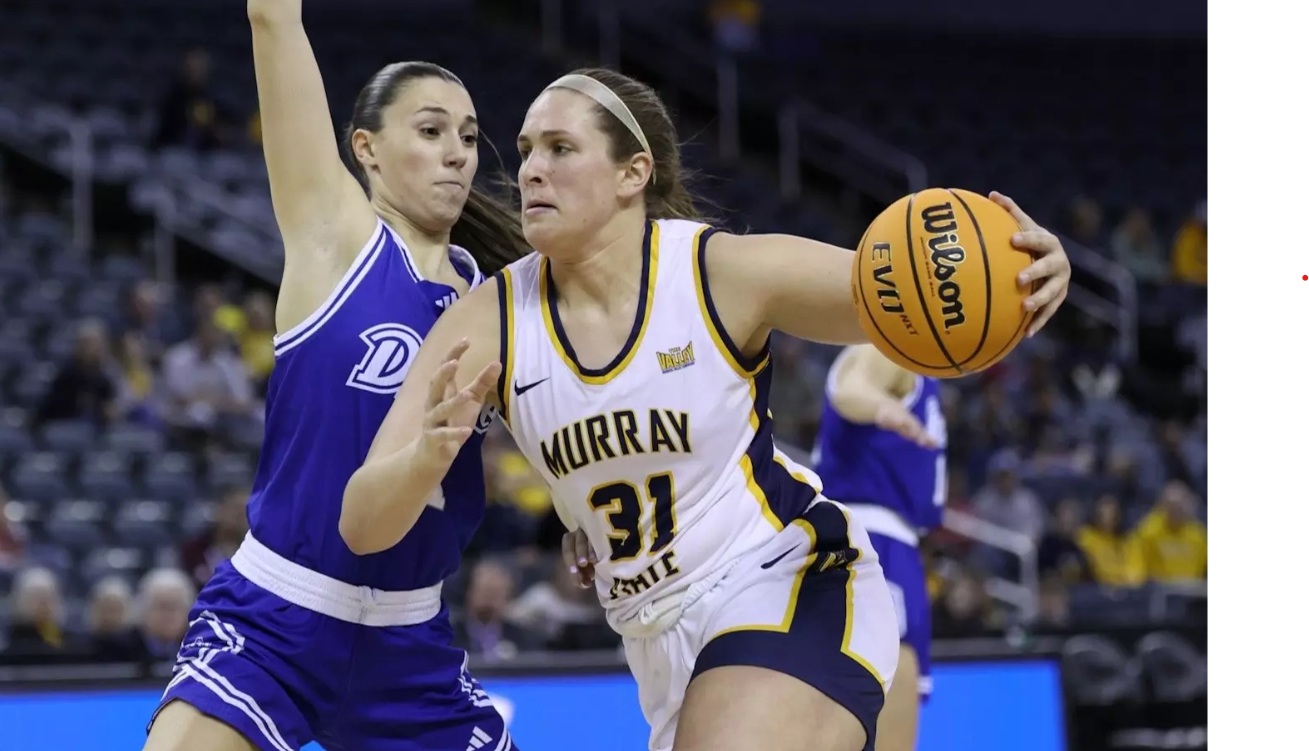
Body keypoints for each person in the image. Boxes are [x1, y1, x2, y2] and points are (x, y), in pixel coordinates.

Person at [341, 67, 1071, 751]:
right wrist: (423, 459)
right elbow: (362, 523)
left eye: (561, 148)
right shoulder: (488, 320)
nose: (529, 168)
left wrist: (1022, 276)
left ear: (634, 173)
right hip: (658, 646)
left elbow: (903, 297)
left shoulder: (716, 272)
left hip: (785, 579)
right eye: (528, 149)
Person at [142, 0, 528, 749]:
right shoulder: (336, 236)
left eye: (470, 137)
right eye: (430, 130)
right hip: (277, 613)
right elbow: (272, 18)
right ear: (366, 149)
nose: (457, 152)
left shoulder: (497, 300)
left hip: (412, 639)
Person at [810, 343, 945, 751]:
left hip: (881, 539)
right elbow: (852, 388)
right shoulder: (890, 349)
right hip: (872, 537)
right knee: (894, 669)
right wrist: (882, 408)